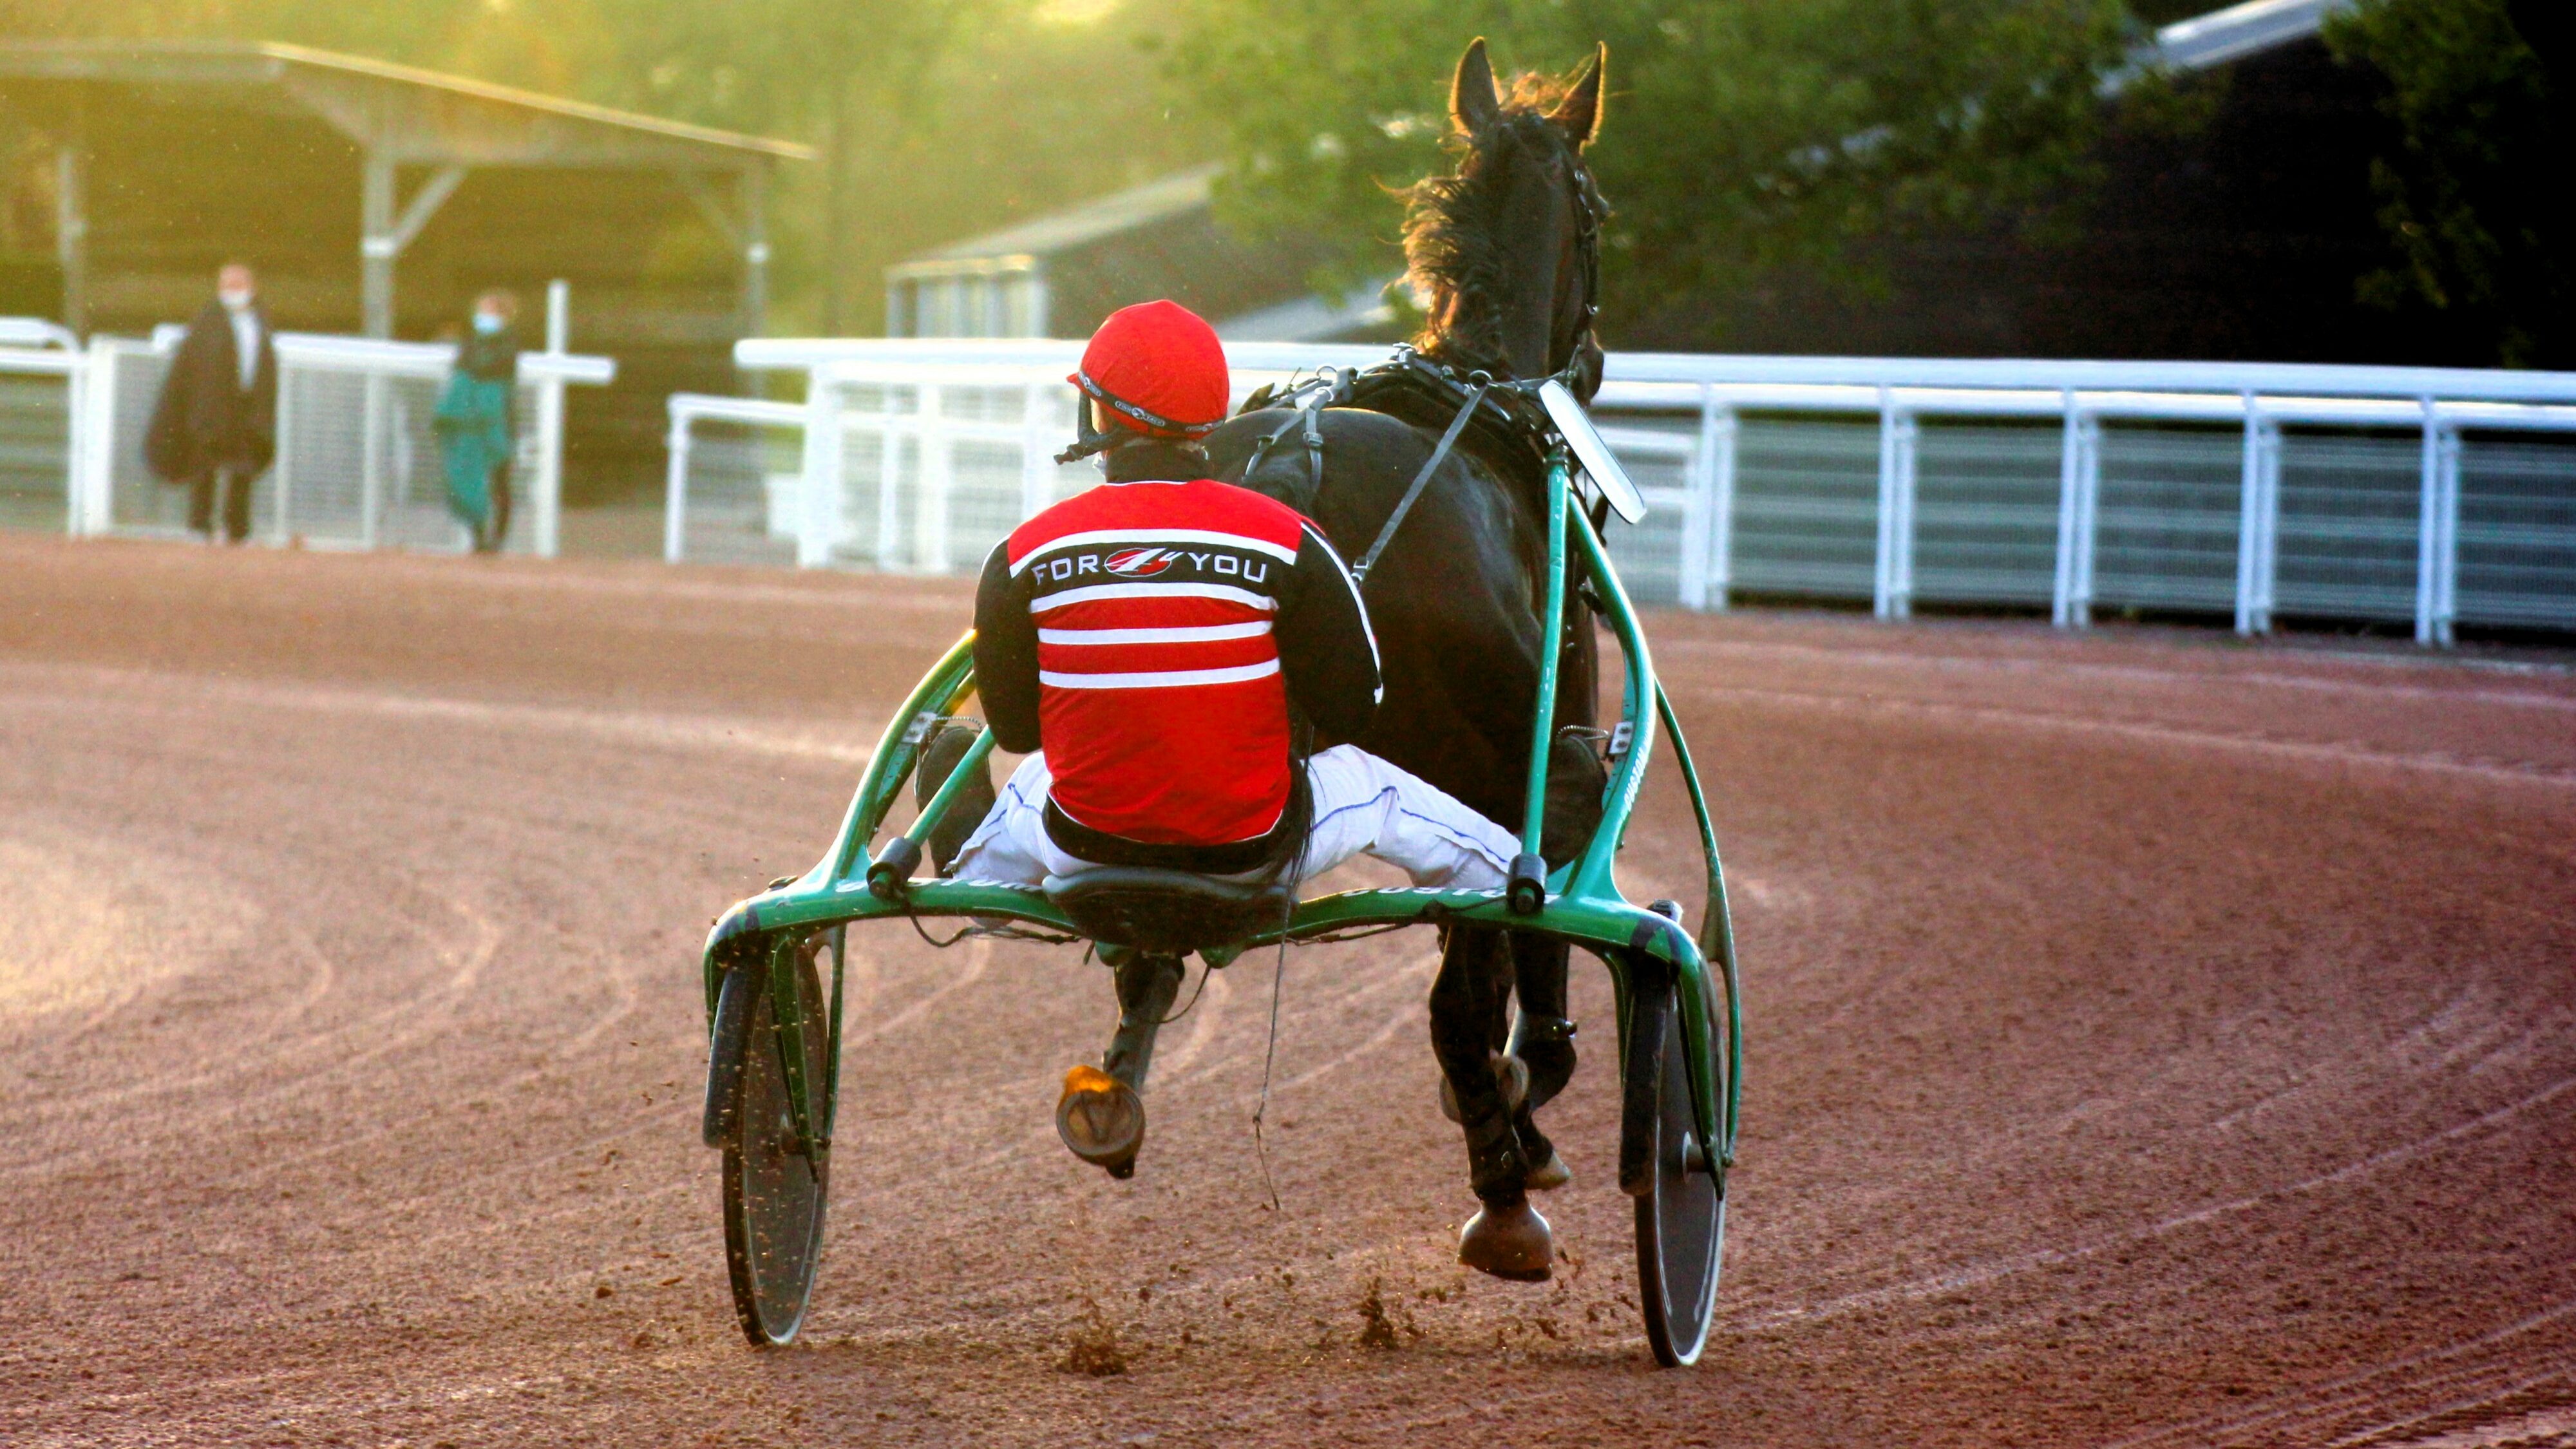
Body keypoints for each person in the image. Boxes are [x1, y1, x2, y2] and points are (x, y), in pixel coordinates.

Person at [927, 299, 1523, 1171]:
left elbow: (1015, 727)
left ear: (1100, 415)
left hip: (1084, 857)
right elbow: (1353, 708)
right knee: (1438, 822)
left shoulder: (1021, 552)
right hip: (1255, 854)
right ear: (1211, 419)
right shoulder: (1292, 540)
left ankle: (968, 878)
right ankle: (1513, 927)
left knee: (1026, 786)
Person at [144, 263, 276, 544]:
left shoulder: (259, 321)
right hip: (211, 408)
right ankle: (199, 527)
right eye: (227, 286)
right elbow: (193, 368)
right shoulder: (207, 322)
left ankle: (238, 530)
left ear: (251, 288)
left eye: (238, 286)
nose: (233, 292)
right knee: (204, 469)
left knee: (243, 469)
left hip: (247, 404)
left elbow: (264, 366)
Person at [433, 290, 520, 553]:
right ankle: (478, 538)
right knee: (469, 476)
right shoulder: (471, 342)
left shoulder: (509, 343)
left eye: (490, 312)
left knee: (499, 480)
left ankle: (498, 539)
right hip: (470, 421)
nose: (484, 317)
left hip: (499, 420)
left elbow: (490, 368)